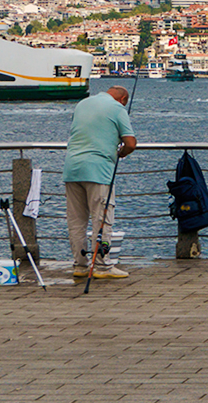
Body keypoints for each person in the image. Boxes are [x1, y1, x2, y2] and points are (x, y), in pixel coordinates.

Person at [63, 85, 137, 279]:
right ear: (122, 99)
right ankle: (102, 266)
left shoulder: (82, 103)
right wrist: (120, 153)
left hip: (72, 168)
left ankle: (79, 265)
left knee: (76, 220)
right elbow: (130, 143)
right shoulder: (117, 108)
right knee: (102, 218)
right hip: (98, 170)